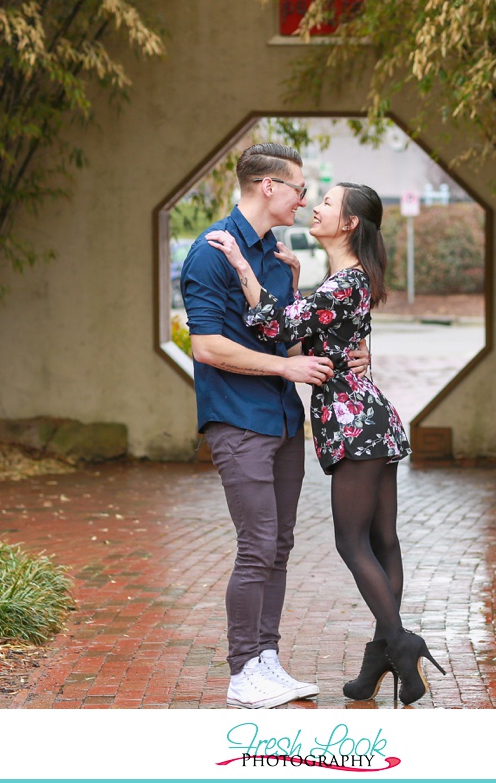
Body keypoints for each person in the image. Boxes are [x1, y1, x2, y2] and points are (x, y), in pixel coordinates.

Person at [205, 181, 446, 706]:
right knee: (384, 542)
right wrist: (295, 282)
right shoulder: (346, 280)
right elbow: (318, 337)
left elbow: (278, 326)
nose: (315, 207)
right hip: (372, 419)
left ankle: (400, 644)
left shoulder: (343, 283)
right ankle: (382, 653)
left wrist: (244, 270)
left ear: (350, 223)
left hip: (356, 425)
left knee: (352, 543)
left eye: (328, 203)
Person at [180, 143, 369, 709]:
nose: (304, 200)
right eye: (300, 189)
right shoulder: (210, 252)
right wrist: (287, 365)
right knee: (257, 544)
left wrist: (345, 355)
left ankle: (266, 660)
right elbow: (208, 346)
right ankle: (243, 673)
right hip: (237, 419)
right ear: (268, 187)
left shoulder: (277, 256)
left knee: (279, 545)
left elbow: (281, 334)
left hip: (285, 419)